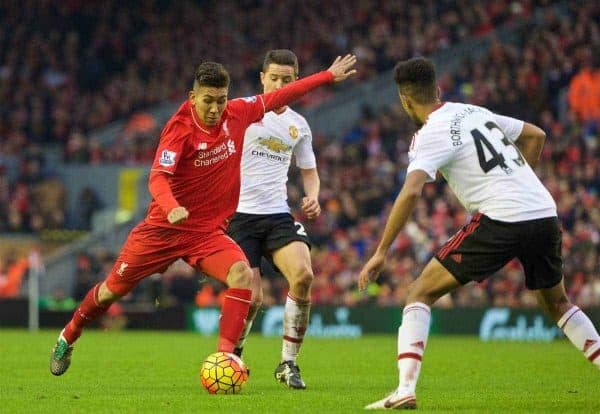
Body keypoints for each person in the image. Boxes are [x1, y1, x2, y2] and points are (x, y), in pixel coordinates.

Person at [50, 55, 357, 376]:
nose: (215, 109)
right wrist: (172, 208)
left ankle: (225, 360)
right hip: (163, 230)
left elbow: (279, 97)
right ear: (192, 97)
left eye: (221, 101)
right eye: (208, 101)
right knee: (112, 289)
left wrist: (326, 76)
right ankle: (69, 335)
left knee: (242, 275)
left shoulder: (238, 113)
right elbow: (157, 177)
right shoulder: (179, 130)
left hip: (205, 233)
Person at [358, 57, 600, 410]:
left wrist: (380, 251)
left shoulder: (429, 134)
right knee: (559, 303)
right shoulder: (473, 111)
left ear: (404, 100)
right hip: (543, 212)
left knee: (418, 292)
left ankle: (404, 388)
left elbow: (410, 192)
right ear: (437, 89)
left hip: (501, 218)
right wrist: (516, 182)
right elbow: (535, 134)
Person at [227, 50, 321, 389]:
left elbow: (309, 172)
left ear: (295, 82)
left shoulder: (298, 125)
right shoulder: (239, 112)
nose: (280, 84)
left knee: (304, 275)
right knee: (251, 299)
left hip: (277, 214)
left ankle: (288, 363)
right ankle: (234, 354)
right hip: (239, 217)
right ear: (262, 78)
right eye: (274, 78)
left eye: (287, 79)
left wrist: (313, 195)